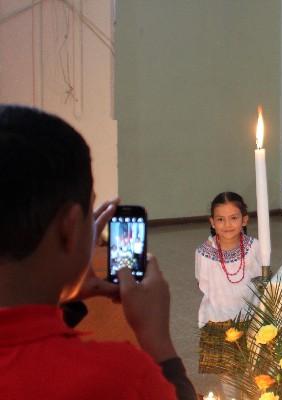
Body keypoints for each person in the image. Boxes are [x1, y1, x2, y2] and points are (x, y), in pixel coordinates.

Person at [0, 105, 196, 400]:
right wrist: (158, 343)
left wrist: (62, 294)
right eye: (89, 216)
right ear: (69, 228)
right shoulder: (120, 378)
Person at [195, 192, 262, 396]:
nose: (228, 224)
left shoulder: (254, 247)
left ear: (245, 219)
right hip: (218, 319)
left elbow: (261, 277)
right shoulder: (203, 253)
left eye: (234, 218)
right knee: (228, 374)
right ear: (212, 222)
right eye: (220, 219)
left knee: (252, 369)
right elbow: (202, 282)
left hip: (250, 318)